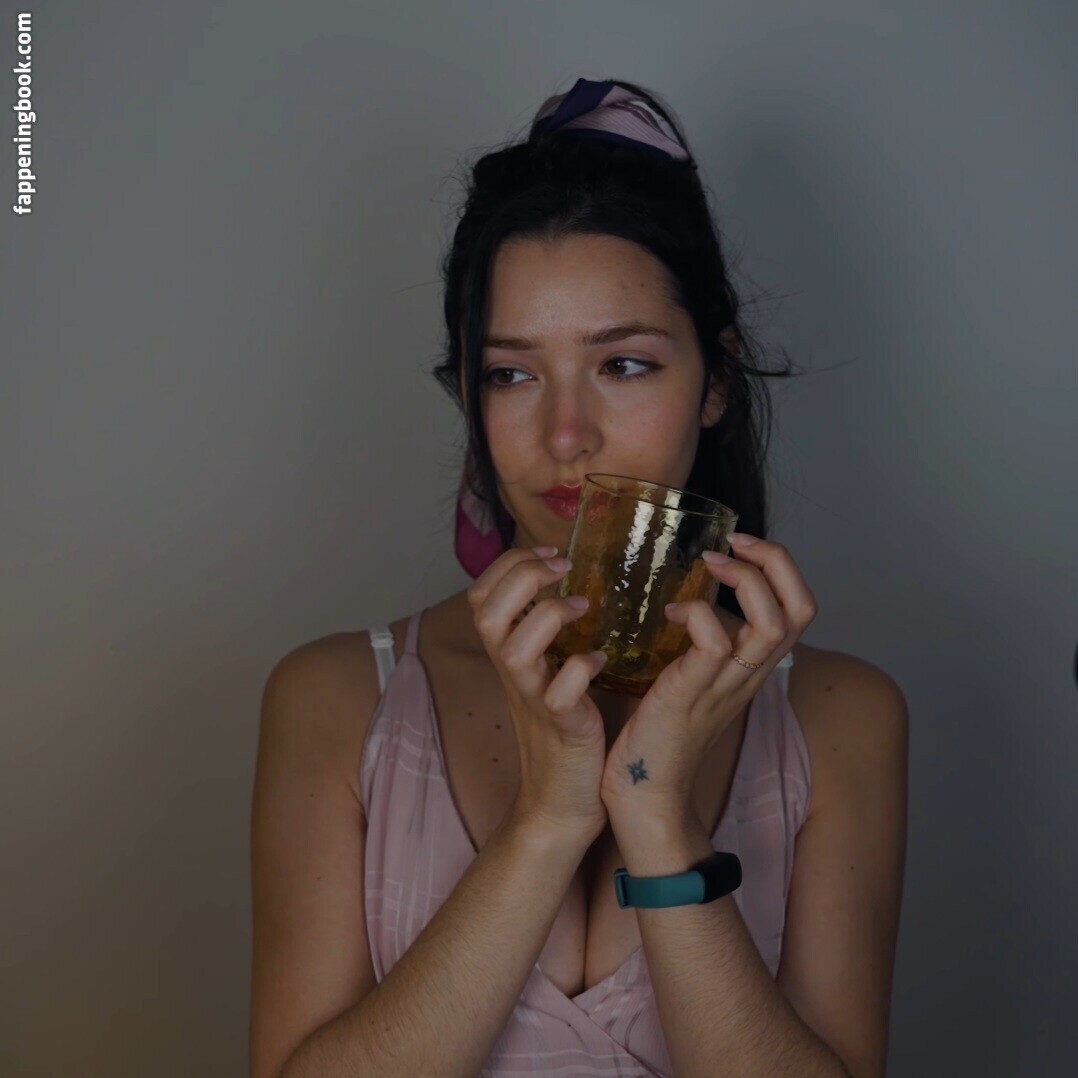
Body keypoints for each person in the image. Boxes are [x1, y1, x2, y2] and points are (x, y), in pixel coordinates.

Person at [249, 77, 908, 1078]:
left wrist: (655, 814)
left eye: (623, 364)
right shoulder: (335, 700)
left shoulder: (842, 718)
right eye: (511, 373)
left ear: (716, 381)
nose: (566, 435)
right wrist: (548, 820)